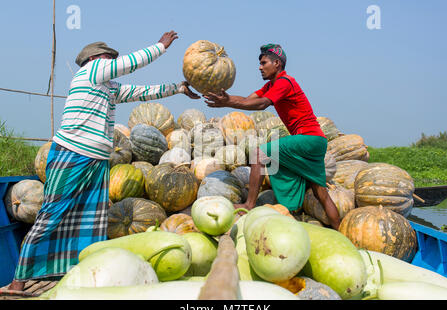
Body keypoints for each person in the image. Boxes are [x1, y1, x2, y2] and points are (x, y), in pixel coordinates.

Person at [8, 30, 199, 291]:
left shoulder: (107, 87)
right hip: (73, 153)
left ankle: (78, 276)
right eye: (109, 57)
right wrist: (160, 47)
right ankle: (19, 281)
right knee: (52, 212)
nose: (111, 62)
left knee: (91, 218)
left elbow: (141, 92)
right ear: (97, 58)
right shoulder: (91, 71)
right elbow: (129, 64)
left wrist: (176, 88)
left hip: (96, 159)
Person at [204, 43, 341, 230]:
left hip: (307, 138)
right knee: (320, 193)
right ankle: (340, 232)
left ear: (277, 63)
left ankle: (249, 205)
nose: (260, 67)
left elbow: (261, 104)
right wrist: (226, 101)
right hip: (317, 141)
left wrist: (228, 102)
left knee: (259, 154)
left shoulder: (285, 82)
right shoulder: (271, 85)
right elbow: (248, 100)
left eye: (263, 62)